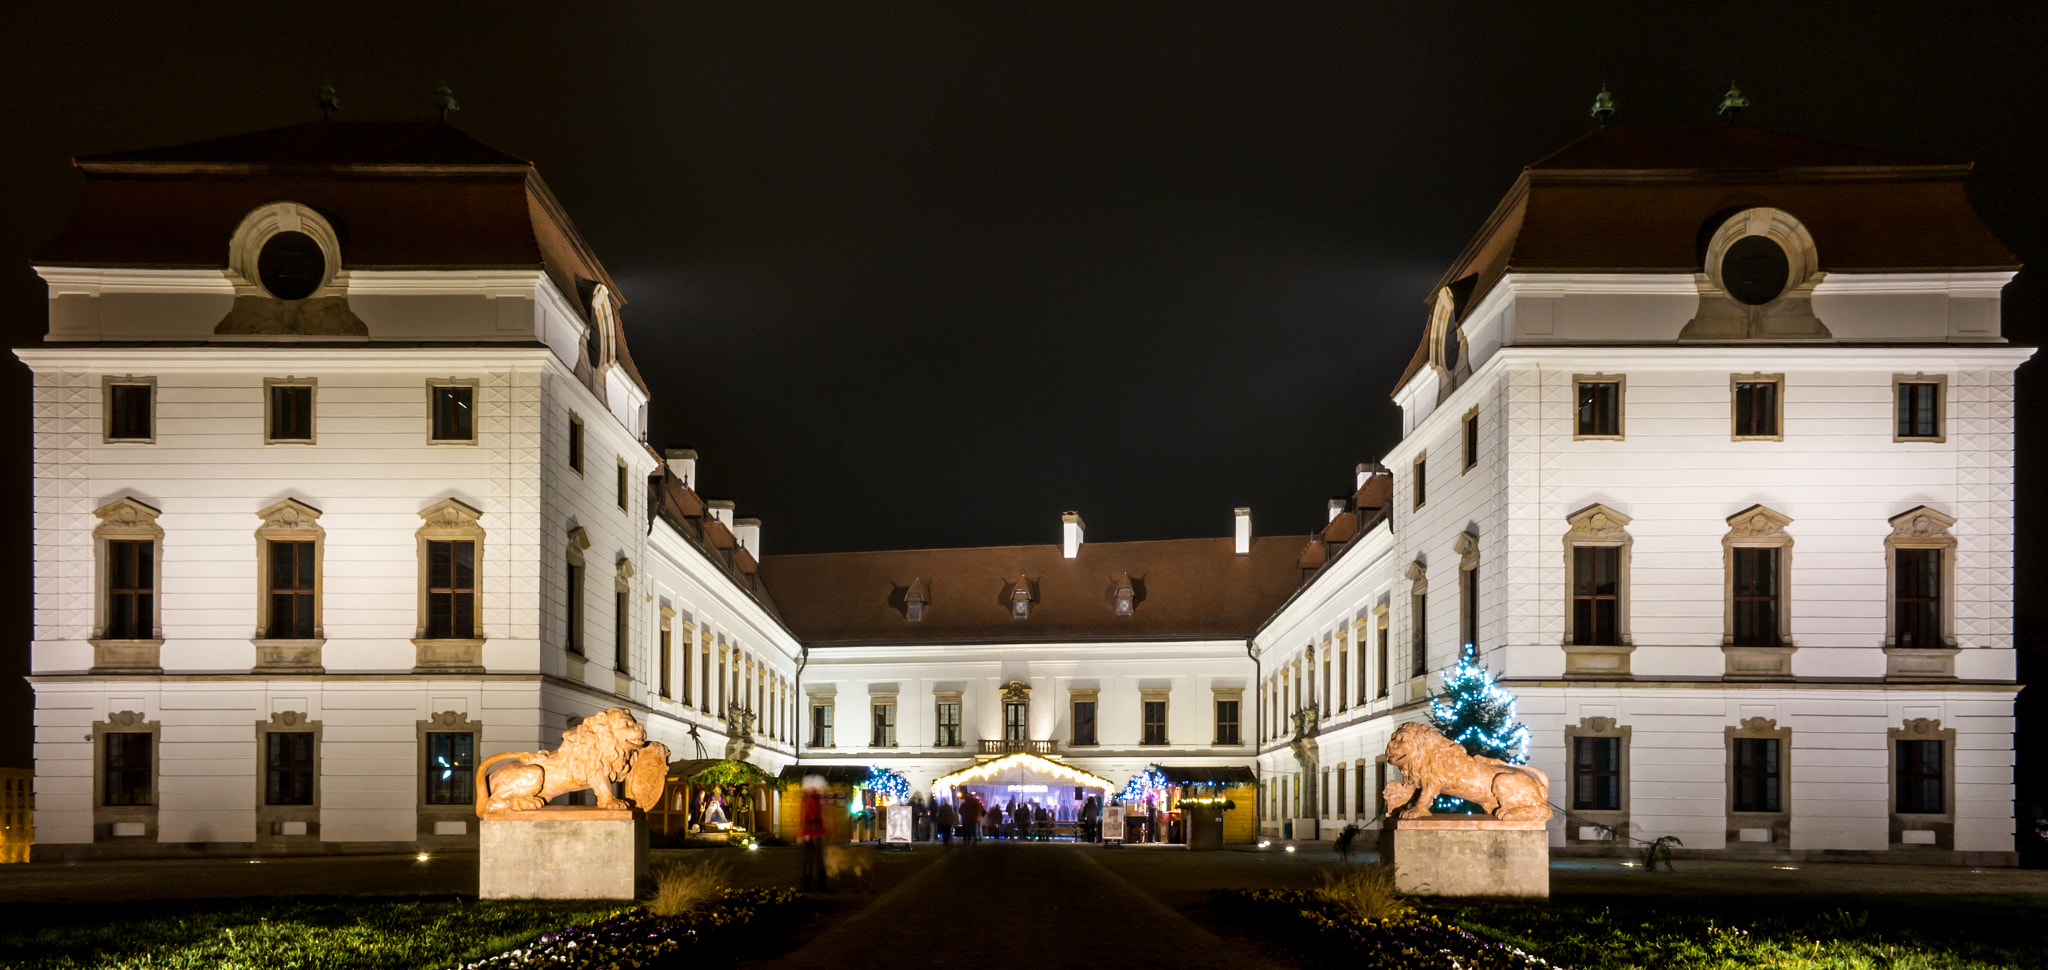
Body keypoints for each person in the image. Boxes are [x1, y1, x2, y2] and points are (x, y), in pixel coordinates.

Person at [798, 775, 827, 892]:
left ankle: (818, 884)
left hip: (816, 832)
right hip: (812, 833)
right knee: (811, 860)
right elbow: (805, 817)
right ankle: (809, 885)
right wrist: (807, 833)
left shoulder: (815, 798)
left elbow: (819, 816)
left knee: (818, 860)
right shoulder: (809, 799)